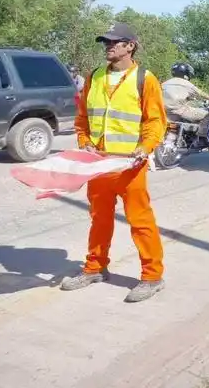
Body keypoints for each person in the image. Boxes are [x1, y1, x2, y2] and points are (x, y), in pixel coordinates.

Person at [61, 22, 168, 303]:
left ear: (130, 46)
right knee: (99, 219)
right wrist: (84, 142)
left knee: (140, 221)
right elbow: (82, 118)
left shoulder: (145, 79)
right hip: (99, 164)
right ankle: (95, 268)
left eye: (115, 42)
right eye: (105, 42)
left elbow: (155, 120)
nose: (108, 46)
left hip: (130, 166)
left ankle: (152, 276)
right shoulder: (93, 77)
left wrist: (145, 148)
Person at [161, 62, 209, 146]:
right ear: (185, 73)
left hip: (165, 111)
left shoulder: (165, 83)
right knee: (206, 115)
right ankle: (202, 139)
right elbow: (200, 93)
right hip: (179, 110)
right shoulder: (187, 84)